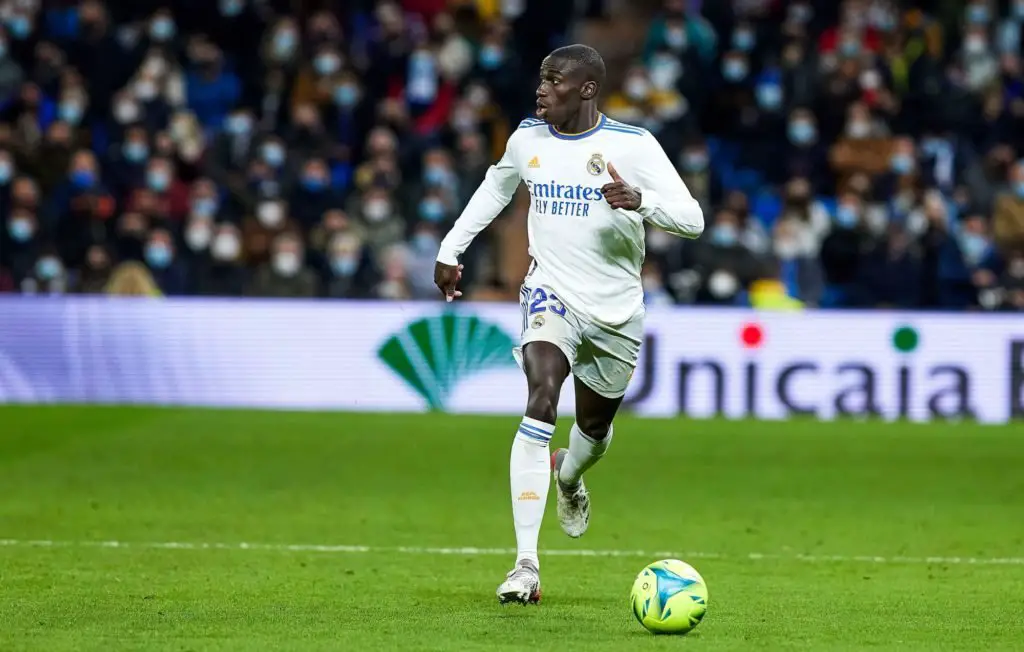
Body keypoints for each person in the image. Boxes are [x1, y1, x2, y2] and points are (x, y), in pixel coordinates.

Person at [433, 44, 704, 604]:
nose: (542, 88)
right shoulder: (527, 140)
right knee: (540, 400)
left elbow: (693, 220)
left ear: (587, 89)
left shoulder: (633, 145)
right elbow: (495, 188)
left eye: (554, 80)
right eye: (541, 77)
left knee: (594, 430)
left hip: (617, 309)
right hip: (550, 294)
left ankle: (570, 477)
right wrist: (451, 247)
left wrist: (641, 200)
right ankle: (525, 566)